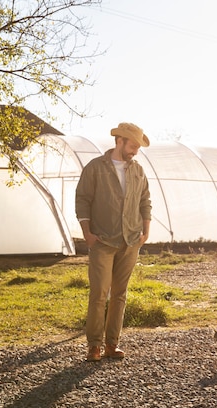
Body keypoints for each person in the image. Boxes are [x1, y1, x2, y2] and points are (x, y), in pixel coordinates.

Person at [75, 122, 152, 362]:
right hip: (103, 241)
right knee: (99, 293)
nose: (135, 151)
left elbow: (145, 200)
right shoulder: (95, 168)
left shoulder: (138, 170)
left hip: (130, 240)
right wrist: (87, 233)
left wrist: (145, 231)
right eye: (132, 146)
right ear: (119, 141)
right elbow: (83, 200)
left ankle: (112, 344)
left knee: (120, 294)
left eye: (138, 147)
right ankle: (94, 346)